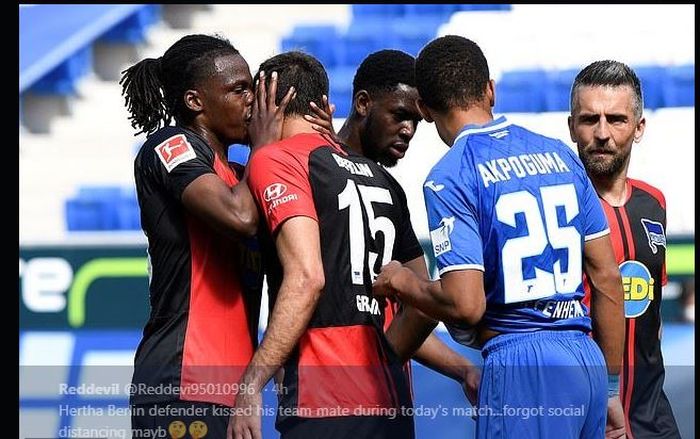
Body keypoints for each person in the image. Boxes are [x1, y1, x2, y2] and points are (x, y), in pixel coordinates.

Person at [372, 35, 626, 438]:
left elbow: (465, 304)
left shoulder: (450, 175)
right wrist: (610, 388)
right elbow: (608, 278)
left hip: (522, 364)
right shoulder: (560, 154)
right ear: (490, 89)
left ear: (423, 107)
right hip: (585, 361)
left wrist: (402, 281)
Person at [230, 51, 429, 439]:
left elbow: (307, 278)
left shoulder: (278, 159)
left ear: (268, 101)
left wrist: (250, 384)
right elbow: (424, 302)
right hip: (389, 404)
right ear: (323, 104)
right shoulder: (380, 177)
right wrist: (381, 364)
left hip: (324, 400)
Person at [120, 34, 293, 437]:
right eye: (238, 90)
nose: (252, 101)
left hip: (234, 394)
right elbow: (238, 217)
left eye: (252, 87)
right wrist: (265, 148)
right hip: (179, 385)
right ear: (196, 101)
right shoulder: (171, 144)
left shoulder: (241, 177)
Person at [318, 49, 481, 404]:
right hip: (354, 396)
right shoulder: (316, 174)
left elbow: (421, 305)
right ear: (363, 103)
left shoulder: (387, 190)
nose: (408, 130)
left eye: (417, 121)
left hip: (341, 399)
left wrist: (463, 369)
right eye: (400, 115)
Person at [569, 60, 681, 438]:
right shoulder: (560, 208)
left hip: (652, 415)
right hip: (587, 416)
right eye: (589, 119)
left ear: (639, 127)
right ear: (571, 127)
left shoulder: (655, 203)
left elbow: (652, 310)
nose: (602, 133)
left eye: (616, 119)